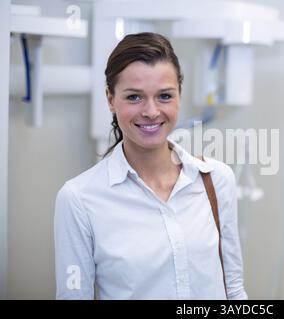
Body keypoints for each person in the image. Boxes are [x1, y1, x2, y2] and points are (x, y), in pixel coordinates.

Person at [54, 32, 247, 300]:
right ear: (110, 99)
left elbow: (234, 289)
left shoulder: (216, 180)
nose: (151, 111)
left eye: (165, 96)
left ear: (180, 94)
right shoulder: (79, 199)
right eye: (134, 97)